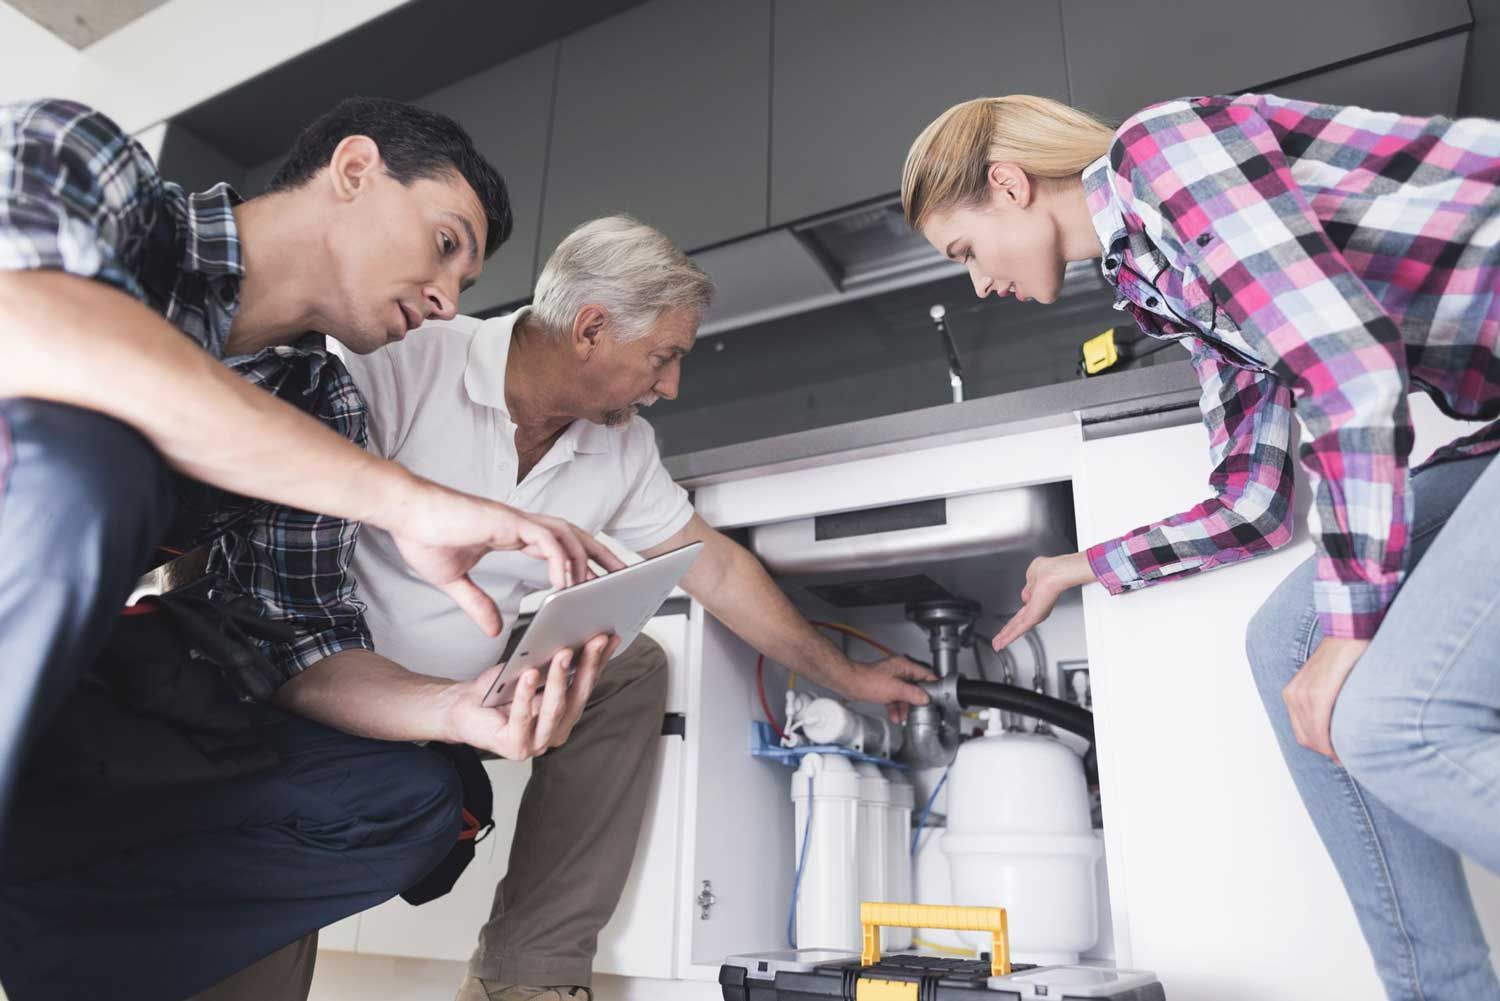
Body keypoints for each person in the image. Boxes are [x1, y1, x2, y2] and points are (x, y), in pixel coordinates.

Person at [0, 95, 618, 1001]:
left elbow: (303, 644)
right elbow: (34, 323)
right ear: (355, 169)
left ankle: (39, 947)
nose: (449, 300)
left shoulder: (322, 405)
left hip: (51, 706)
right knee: (95, 462)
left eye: (468, 283)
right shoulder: (95, 165)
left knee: (411, 800)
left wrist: (459, 708)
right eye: (445, 244)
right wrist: (407, 501)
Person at [901, 92, 1500, 1001]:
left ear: (1009, 185)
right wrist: (1083, 565)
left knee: (1391, 717)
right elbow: (1258, 501)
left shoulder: (1161, 152)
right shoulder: (1161, 282)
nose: (980, 285)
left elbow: (1351, 369)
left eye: (966, 252)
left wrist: (1354, 635)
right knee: (1283, 640)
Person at [327, 215, 937, 1001]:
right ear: (590, 329)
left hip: (470, 685)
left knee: (633, 664)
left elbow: (715, 566)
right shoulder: (412, 360)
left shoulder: (622, 445)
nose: (672, 383)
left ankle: (529, 975)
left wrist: (844, 676)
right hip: (337, 675)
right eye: (664, 356)